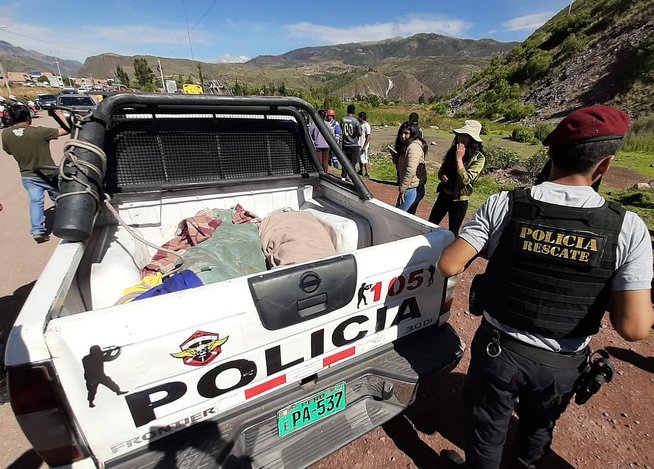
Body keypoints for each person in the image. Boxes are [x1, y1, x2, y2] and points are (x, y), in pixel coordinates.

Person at [436, 105, 654, 469]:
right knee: (538, 430)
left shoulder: (505, 203)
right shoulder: (628, 229)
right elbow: (633, 329)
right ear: (605, 164)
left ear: (550, 154)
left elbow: (449, 264)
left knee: (487, 431)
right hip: (562, 362)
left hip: (499, 351)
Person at [1, 104, 68, 243]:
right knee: (60, 199)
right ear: (28, 117)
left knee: (36, 202)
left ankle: (37, 230)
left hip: (28, 175)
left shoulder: (5, 134)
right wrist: (59, 114)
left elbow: (8, 151)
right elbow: (66, 130)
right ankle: (67, 223)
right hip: (49, 174)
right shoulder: (39, 131)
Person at [428, 120, 485, 235]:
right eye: (460, 134)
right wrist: (441, 175)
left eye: (465, 136)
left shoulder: (478, 158)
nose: (461, 138)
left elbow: (466, 180)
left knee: (453, 232)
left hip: (459, 200)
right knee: (430, 225)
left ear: (472, 140)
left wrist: (459, 159)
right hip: (444, 194)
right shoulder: (453, 149)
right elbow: (443, 167)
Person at [395, 121, 427, 214]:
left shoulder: (413, 147)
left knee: (398, 217)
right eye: (401, 133)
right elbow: (403, 167)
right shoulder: (408, 146)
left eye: (406, 133)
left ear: (412, 134)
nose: (402, 136)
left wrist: (402, 189)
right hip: (412, 188)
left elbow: (410, 170)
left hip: (412, 189)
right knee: (408, 218)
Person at [340, 104, 362, 180]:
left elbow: (341, 128)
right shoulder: (355, 121)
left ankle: (343, 175)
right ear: (354, 111)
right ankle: (351, 176)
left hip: (345, 143)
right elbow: (360, 133)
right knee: (353, 162)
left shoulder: (343, 119)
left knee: (344, 160)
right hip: (354, 144)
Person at [357, 111, 371, 177]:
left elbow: (368, 137)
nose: (358, 118)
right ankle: (361, 170)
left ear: (362, 118)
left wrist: (365, 146)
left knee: (365, 159)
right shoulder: (360, 124)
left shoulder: (366, 125)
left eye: (359, 117)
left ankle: (367, 173)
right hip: (359, 144)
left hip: (363, 145)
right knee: (360, 158)